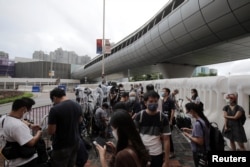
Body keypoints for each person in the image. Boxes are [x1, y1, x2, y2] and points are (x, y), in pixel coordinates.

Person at [134, 91, 171, 167]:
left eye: (155, 101)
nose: (153, 103)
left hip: (157, 153)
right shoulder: (139, 116)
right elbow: (134, 136)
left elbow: (166, 139)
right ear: (145, 103)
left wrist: (167, 161)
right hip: (142, 152)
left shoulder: (163, 117)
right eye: (150, 101)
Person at [48, 87, 82, 167]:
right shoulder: (77, 105)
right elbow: (80, 121)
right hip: (75, 142)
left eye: (53, 101)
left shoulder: (55, 109)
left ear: (54, 97)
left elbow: (51, 131)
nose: (54, 103)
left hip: (61, 146)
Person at [2, 98, 42, 167]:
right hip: (25, 161)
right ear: (23, 109)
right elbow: (31, 143)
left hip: (12, 160)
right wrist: (39, 133)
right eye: (27, 111)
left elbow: (20, 120)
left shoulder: (4, 118)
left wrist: (30, 125)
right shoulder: (18, 126)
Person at [182, 102, 210, 167]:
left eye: (187, 111)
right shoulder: (203, 120)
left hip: (200, 151)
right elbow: (203, 131)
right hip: (205, 149)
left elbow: (200, 141)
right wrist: (190, 130)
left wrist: (188, 135)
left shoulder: (198, 124)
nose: (187, 113)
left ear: (191, 111)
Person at [161, 88, 176, 158]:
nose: (162, 92)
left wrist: (171, 120)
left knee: (168, 136)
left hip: (168, 121)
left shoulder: (170, 100)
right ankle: (166, 149)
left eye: (163, 91)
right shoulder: (163, 100)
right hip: (163, 120)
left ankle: (172, 152)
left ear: (167, 92)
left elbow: (173, 111)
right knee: (164, 136)